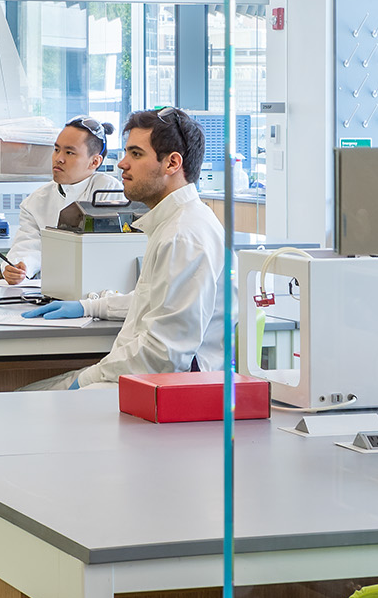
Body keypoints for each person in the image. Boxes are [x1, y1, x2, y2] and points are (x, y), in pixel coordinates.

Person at [22, 109, 226, 389]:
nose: (122, 164)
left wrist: (87, 379)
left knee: (22, 401)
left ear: (172, 163)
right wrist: (89, 306)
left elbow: (163, 355)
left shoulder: (183, 235)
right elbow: (156, 302)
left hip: (160, 388)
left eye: (136, 154)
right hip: (142, 375)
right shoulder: (174, 223)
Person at [0, 117, 112, 286]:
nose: (58, 158)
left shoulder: (110, 192)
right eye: (56, 149)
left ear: (94, 161)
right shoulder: (37, 201)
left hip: (101, 289)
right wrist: (19, 267)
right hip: (54, 290)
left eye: (69, 152)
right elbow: (29, 245)